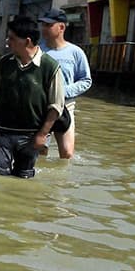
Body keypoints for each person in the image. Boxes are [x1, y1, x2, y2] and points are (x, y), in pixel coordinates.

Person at [0, 15, 65, 178]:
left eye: (12, 39)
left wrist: (42, 135)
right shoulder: (4, 63)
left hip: (31, 136)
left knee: (24, 177)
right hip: (2, 133)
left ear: (27, 41)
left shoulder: (50, 67)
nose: (8, 42)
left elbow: (56, 106)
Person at [39, 8, 91, 158]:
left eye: (48, 25)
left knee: (67, 153)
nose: (44, 29)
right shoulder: (38, 51)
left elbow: (86, 80)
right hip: (42, 106)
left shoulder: (76, 52)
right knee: (40, 150)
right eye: (42, 25)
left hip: (66, 105)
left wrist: (63, 91)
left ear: (61, 27)